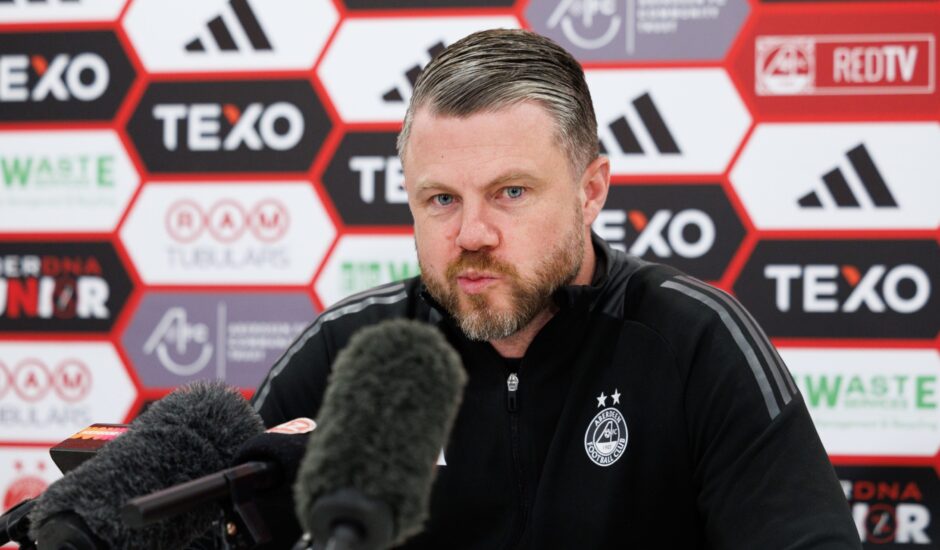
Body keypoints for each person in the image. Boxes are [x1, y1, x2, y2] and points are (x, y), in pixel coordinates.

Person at [252, 29, 860, 549]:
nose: (472, 233)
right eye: (441, 199)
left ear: (590, 190)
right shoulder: (347, 350)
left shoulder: (693, 339)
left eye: (510, 192)